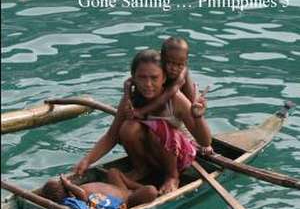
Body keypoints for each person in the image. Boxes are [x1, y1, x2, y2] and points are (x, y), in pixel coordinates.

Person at [73, 49, 212, 194]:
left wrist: (198, 117)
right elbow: (111, 136)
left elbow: (205, 141)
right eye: (142, 77)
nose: (148, 84)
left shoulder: (176, 99)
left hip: (179, 157)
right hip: (152, 155)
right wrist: (87, 161)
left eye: (154, 78)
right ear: (133, 78)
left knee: (157, 129)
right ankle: (142, 169)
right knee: (127, 128)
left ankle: (172, 177)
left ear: (164, 78)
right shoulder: (131, 100)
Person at [123, 37, 207, 120]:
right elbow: (128, 82)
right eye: (170, 63)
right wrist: (127, 99)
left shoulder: (181, 74)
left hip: (177, 102)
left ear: (185, 62)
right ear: (162, 58)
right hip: (160, 101)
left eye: (180, 65)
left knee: (194, 107)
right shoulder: (157, 64)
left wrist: (141, 111)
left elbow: (167, 95)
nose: (174, 68)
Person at [41, 169, 158, 209]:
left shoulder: (76, 192)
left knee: (113, 172)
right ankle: (140, 189)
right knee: (151, 191)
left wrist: (69, 185)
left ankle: (137, 187)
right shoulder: (76, 198)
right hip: (127, 200)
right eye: (62, 184)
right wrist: (68, 184)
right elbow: (81, 195)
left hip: (120, 189)